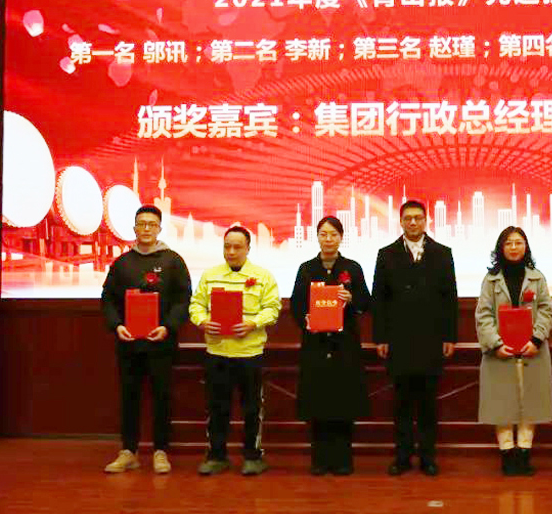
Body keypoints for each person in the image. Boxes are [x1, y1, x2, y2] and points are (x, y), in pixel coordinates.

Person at [101, 204, 191, 474]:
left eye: (152, 224)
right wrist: (117, 325)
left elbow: (183, 298)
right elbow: (108, 299)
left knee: (162, 396)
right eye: (141, 224)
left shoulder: (173, 261)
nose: (146, 229)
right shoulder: (122, 263)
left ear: (160, 228)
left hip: (161, 342)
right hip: (128, 343)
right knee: (129, 397)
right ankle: (128, 451)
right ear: (134, 228)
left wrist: (168, 326)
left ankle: (161, 451)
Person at [372, 200, 458, 476]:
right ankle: (402, 456)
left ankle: (428, 457)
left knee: (428, 404)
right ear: (400, 221)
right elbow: (379, 300)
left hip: (431, 340)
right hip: (398, 340)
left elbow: (450, 298)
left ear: (425, 220)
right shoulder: (386, 255)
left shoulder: (442, 253)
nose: (412, 222)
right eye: (408, 218)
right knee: (402, 403)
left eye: (418, 218)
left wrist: (450, 336)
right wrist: (380, 337)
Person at [188, 224, 281, 476]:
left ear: (248, 248)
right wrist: (202, 321)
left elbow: (272, 309)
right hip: (217, 352)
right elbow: (196, 305)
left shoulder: (263, 277)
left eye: (237, 247)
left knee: (252, 408)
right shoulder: (210, 275)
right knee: (216, 407)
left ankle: (253, 456)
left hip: (249, 354)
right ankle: (216, 456)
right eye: (227, 246)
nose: (231, 252)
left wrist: (253, 323)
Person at [290, 216, 371, 476]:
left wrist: (352, 297)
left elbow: (366, 302)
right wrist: (305, 319)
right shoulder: (306, 269)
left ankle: (343, 459)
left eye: (333, 234)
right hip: (315, 345)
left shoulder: (352, 268)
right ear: (317, 237)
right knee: (318, 402)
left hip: (344, 346)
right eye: (323, 234)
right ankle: (320, 460)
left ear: (341, 237)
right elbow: (296, 305)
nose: (328, 239)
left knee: (343, 402)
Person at [475, 226, 552, 476]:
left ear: (526, 246)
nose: (513, 247)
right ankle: (507, 456)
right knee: (502, 404)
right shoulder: (490, 280)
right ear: (501, 248)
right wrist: (496, 344)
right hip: (500, 353)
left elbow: (547, 310)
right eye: (508, 243)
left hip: (532, 351)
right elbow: (483, 315)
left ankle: (524, 455)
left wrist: (537, 339)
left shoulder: (537, 278)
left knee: (530, 403)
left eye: (518, 242)